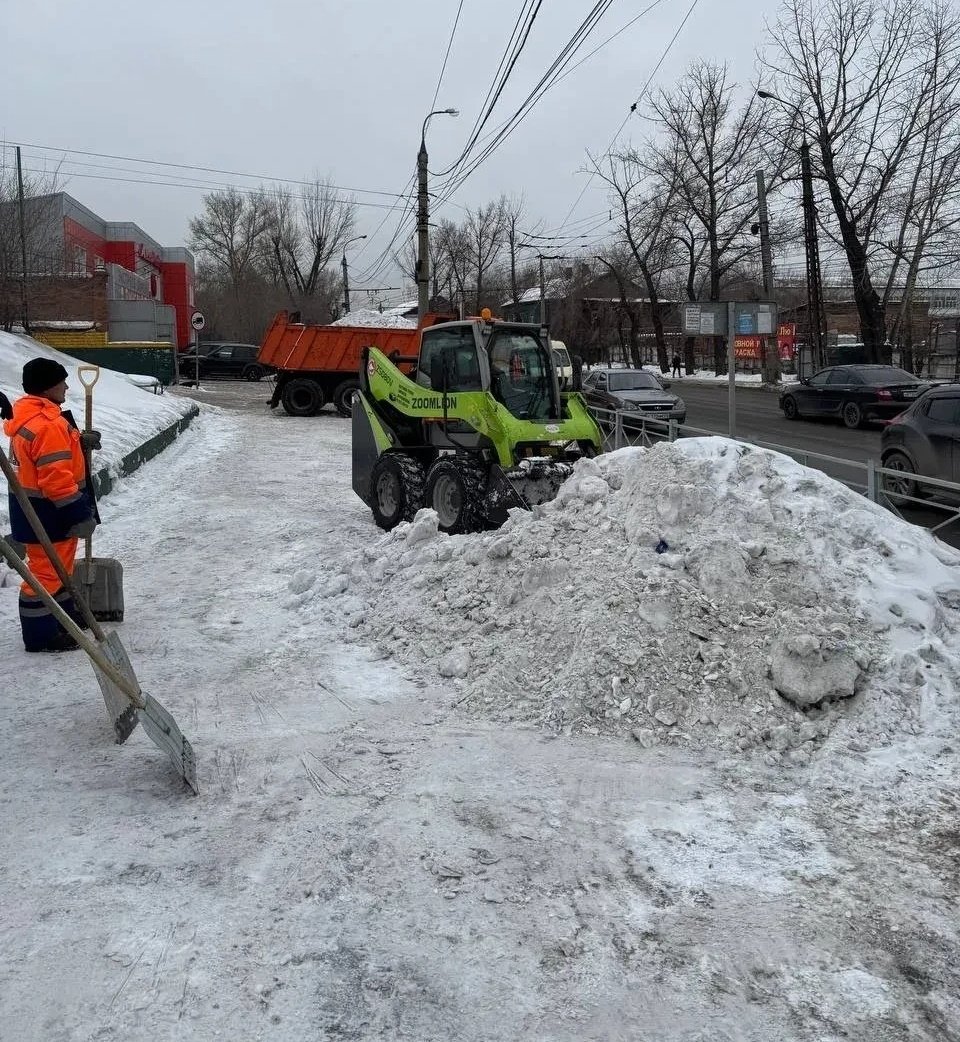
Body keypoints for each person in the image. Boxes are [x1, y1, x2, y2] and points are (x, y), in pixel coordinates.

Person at [3, 358, 99, 652]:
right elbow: (56, 480)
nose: (67, 387)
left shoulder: (30, 417)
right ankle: (41, 636)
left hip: (36, 510)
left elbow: (47, 458)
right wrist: (78, 514)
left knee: (59, 569)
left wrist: (78, 442)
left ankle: (63, 619)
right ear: (47, 388)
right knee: (45, 574)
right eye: (61, 382)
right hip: (51, 513)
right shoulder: (47, 425)